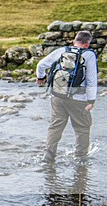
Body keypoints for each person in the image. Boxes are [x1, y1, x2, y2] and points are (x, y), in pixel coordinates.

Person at [36, 30, 97, 164]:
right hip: (79, 99)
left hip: (57, 96)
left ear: (74, 41)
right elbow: (91, 80)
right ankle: (81, 160)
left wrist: (41, 77)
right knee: (82, 128)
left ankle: (48, 157)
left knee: (55, 126)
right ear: (87, 44)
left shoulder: (62, 51)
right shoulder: (89, 55)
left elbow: (41, 65)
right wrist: (91, 100)